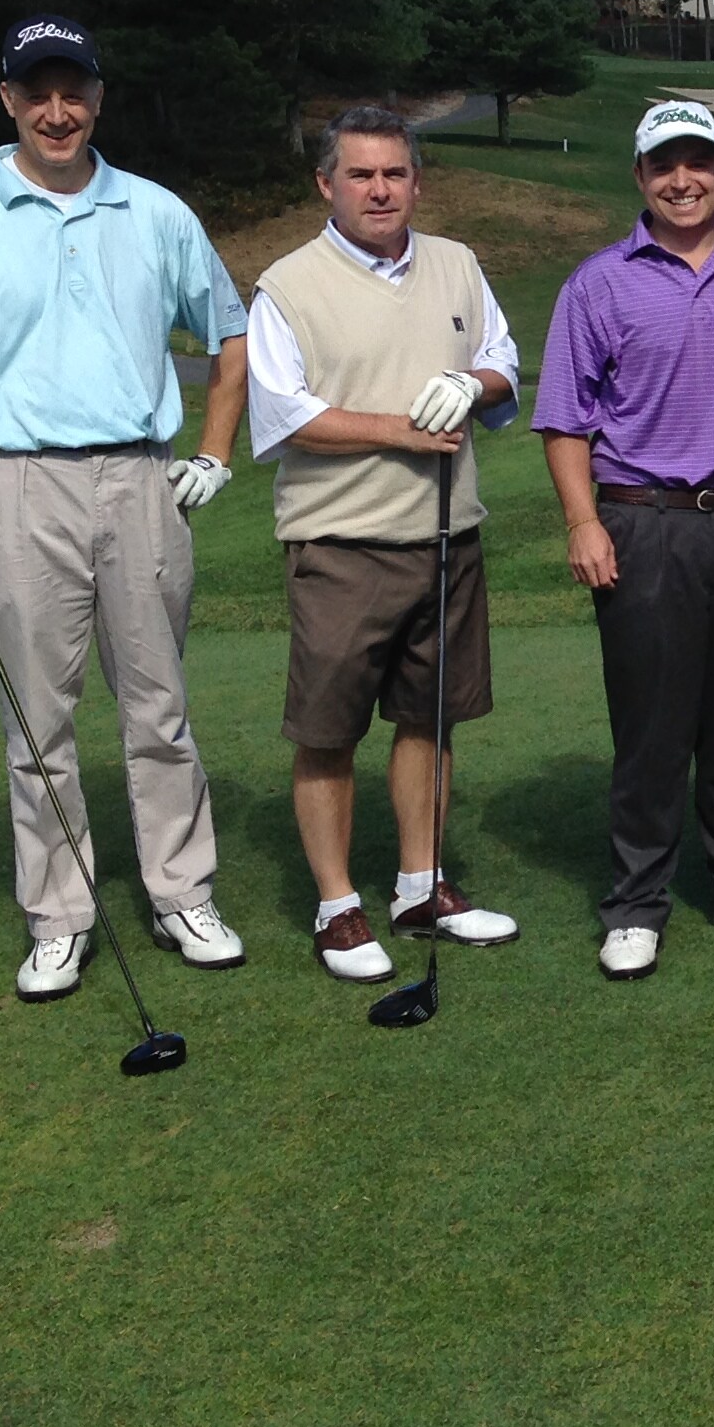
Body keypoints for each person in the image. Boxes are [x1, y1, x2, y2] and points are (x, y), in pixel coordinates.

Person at [0, 14, 251, 1001]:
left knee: (159, 707)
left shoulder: (156, 212)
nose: (58, 111)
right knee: (37, 722)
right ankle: (59, 917)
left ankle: (182, 893)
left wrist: (215, 452)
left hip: (140, 479)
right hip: (11, 485)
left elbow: (232, 335)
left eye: (74, 91)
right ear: (9, 100)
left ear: (98, 98)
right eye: (37, 93)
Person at [248, 104, 523, 982]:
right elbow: (285, 414)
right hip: (341, 544)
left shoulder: (456, 264)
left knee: (428, 718)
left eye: (394, 173)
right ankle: (337, 908)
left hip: (446, 536)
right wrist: (403, 430)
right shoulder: (288, 286)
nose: (379, 190)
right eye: (360, 174)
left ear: (417, 182)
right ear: (325, 183)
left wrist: (472, 383)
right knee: (328, 732)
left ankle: (419, 886)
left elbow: (504, 359)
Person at [535, 98, 714, 979]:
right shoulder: (599, 282)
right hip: (642, 520)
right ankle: (636, 902)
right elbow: (565, 418)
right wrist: (582, 521)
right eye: (663, 166)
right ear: (640, 177)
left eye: (697, 163)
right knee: (651, 725)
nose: (681, 181)